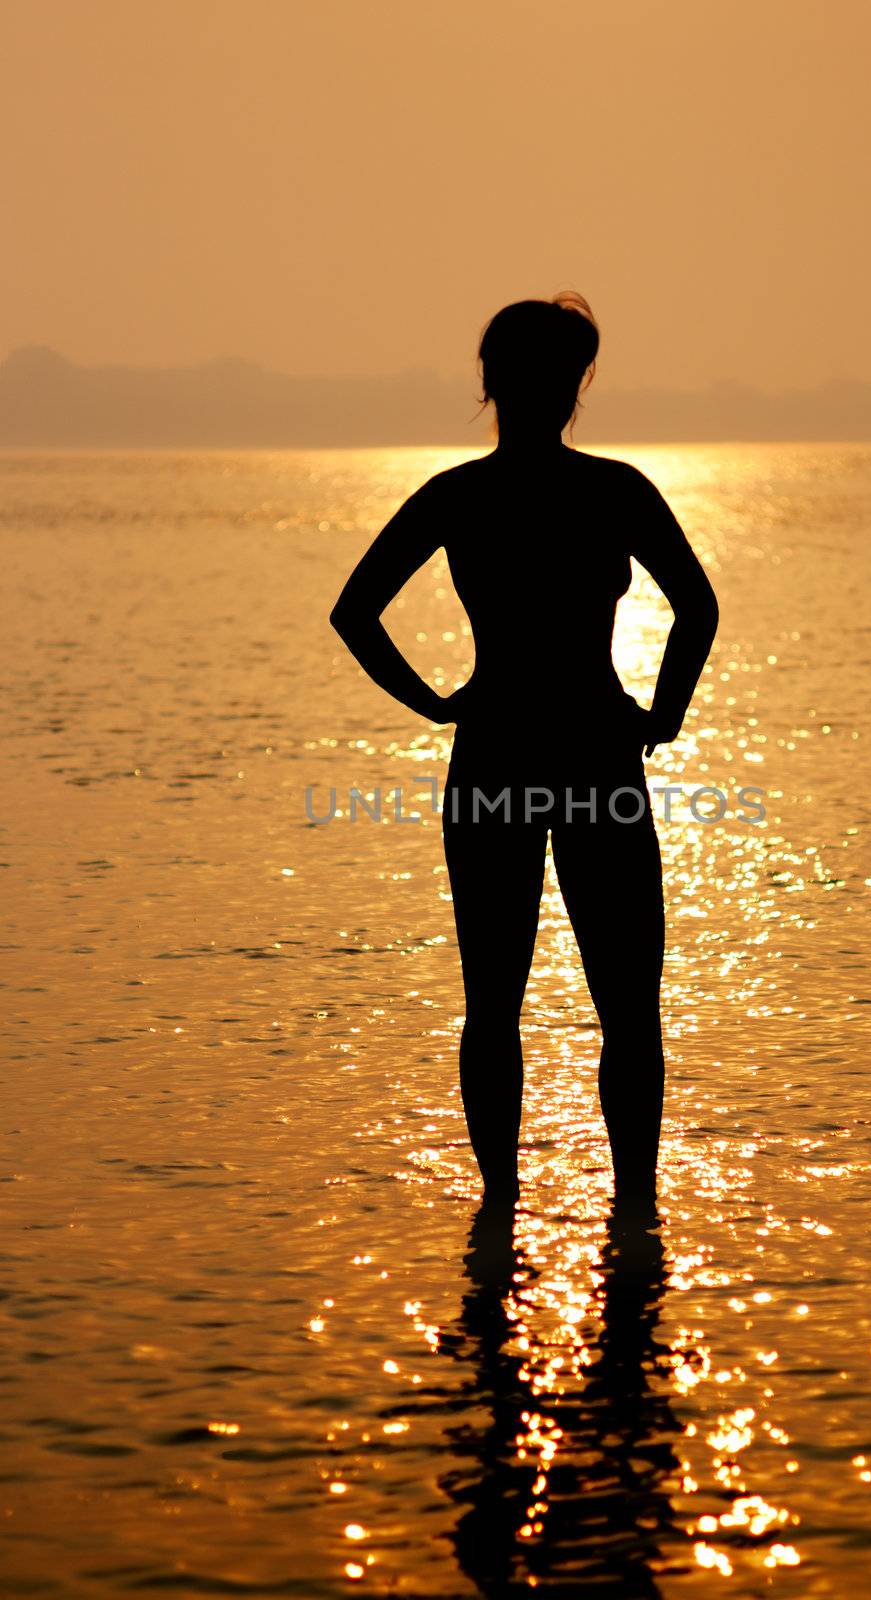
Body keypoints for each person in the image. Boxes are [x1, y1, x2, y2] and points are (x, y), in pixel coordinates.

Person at [330, 293, 718, 1216]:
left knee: (494, 1004)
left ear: (489, 383)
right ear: (573, 385)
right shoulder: (613, 490)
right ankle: (632, 1211)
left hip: (495, 754)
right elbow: (696, 607)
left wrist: (435, 702)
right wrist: (659, 716)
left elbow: (355, 613)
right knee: (625, 1008)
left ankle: (501, 1211)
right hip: (594, 754)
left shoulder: (461, 496)